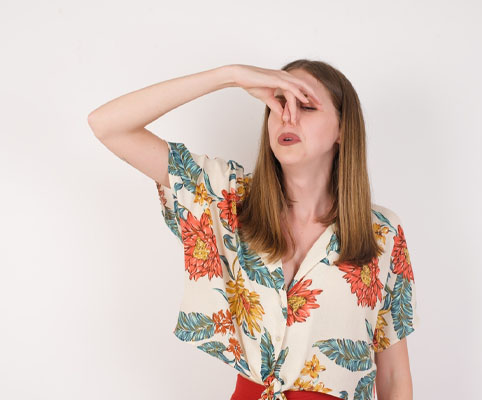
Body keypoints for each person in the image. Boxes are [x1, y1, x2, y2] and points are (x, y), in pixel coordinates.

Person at [88, 61, 418, 400]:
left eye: (305, 105)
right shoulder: (229, 200)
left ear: (343, 130)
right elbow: (107, 125)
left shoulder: (382, 233)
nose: (288, 117)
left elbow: (393, 376)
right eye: (278, 104)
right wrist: (229, 76)